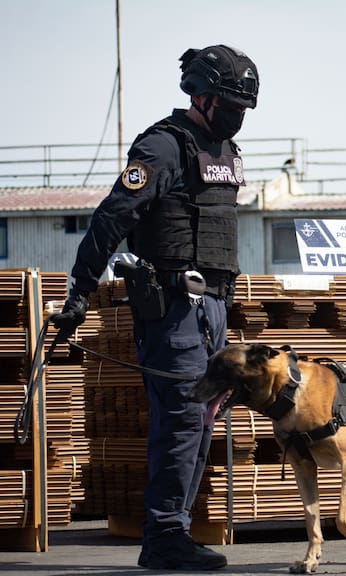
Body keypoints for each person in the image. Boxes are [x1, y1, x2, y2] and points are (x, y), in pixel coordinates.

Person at [52, 44, 259, 570]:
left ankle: (176, 531)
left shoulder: (226, 152)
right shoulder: (164, 147)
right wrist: (81, 290)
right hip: (173, 308)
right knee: (183, 419)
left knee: (202, 419)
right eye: (229, 104)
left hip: (212, 308)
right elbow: (112, 217)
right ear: (202, 96)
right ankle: (164, 537)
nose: (236, 115)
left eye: (243, 107)